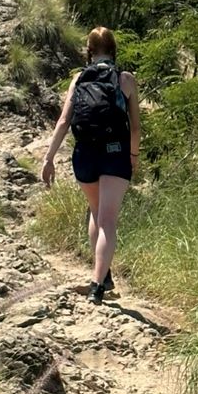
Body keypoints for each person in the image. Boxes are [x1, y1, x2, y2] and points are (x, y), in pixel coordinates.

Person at [41, 27, 141, 305]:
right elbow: (135, 127)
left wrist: (48, 158)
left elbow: (63, 121)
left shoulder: (78, 79)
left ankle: (103, 274)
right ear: (113, 48)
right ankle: (97, 284)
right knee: (108, 220)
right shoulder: (126, 80)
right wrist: (133, 156)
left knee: (96, 214)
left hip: (84, 154)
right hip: (115, 153)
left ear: (89, 50)